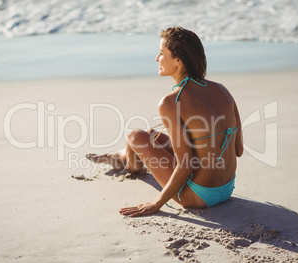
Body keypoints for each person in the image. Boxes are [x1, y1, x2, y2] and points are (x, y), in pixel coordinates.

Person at [86, 26, 243, 217]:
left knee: (135, 136)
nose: (156, 58)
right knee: (152, 135)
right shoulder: (222, 90)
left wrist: (156, 204)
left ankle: (129, 163)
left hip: (197, 196)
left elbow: (186, 164)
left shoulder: (172, 102)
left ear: (178, 60)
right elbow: (238, 149)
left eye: (161, 53)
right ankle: (123, 157)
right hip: (227, 189)